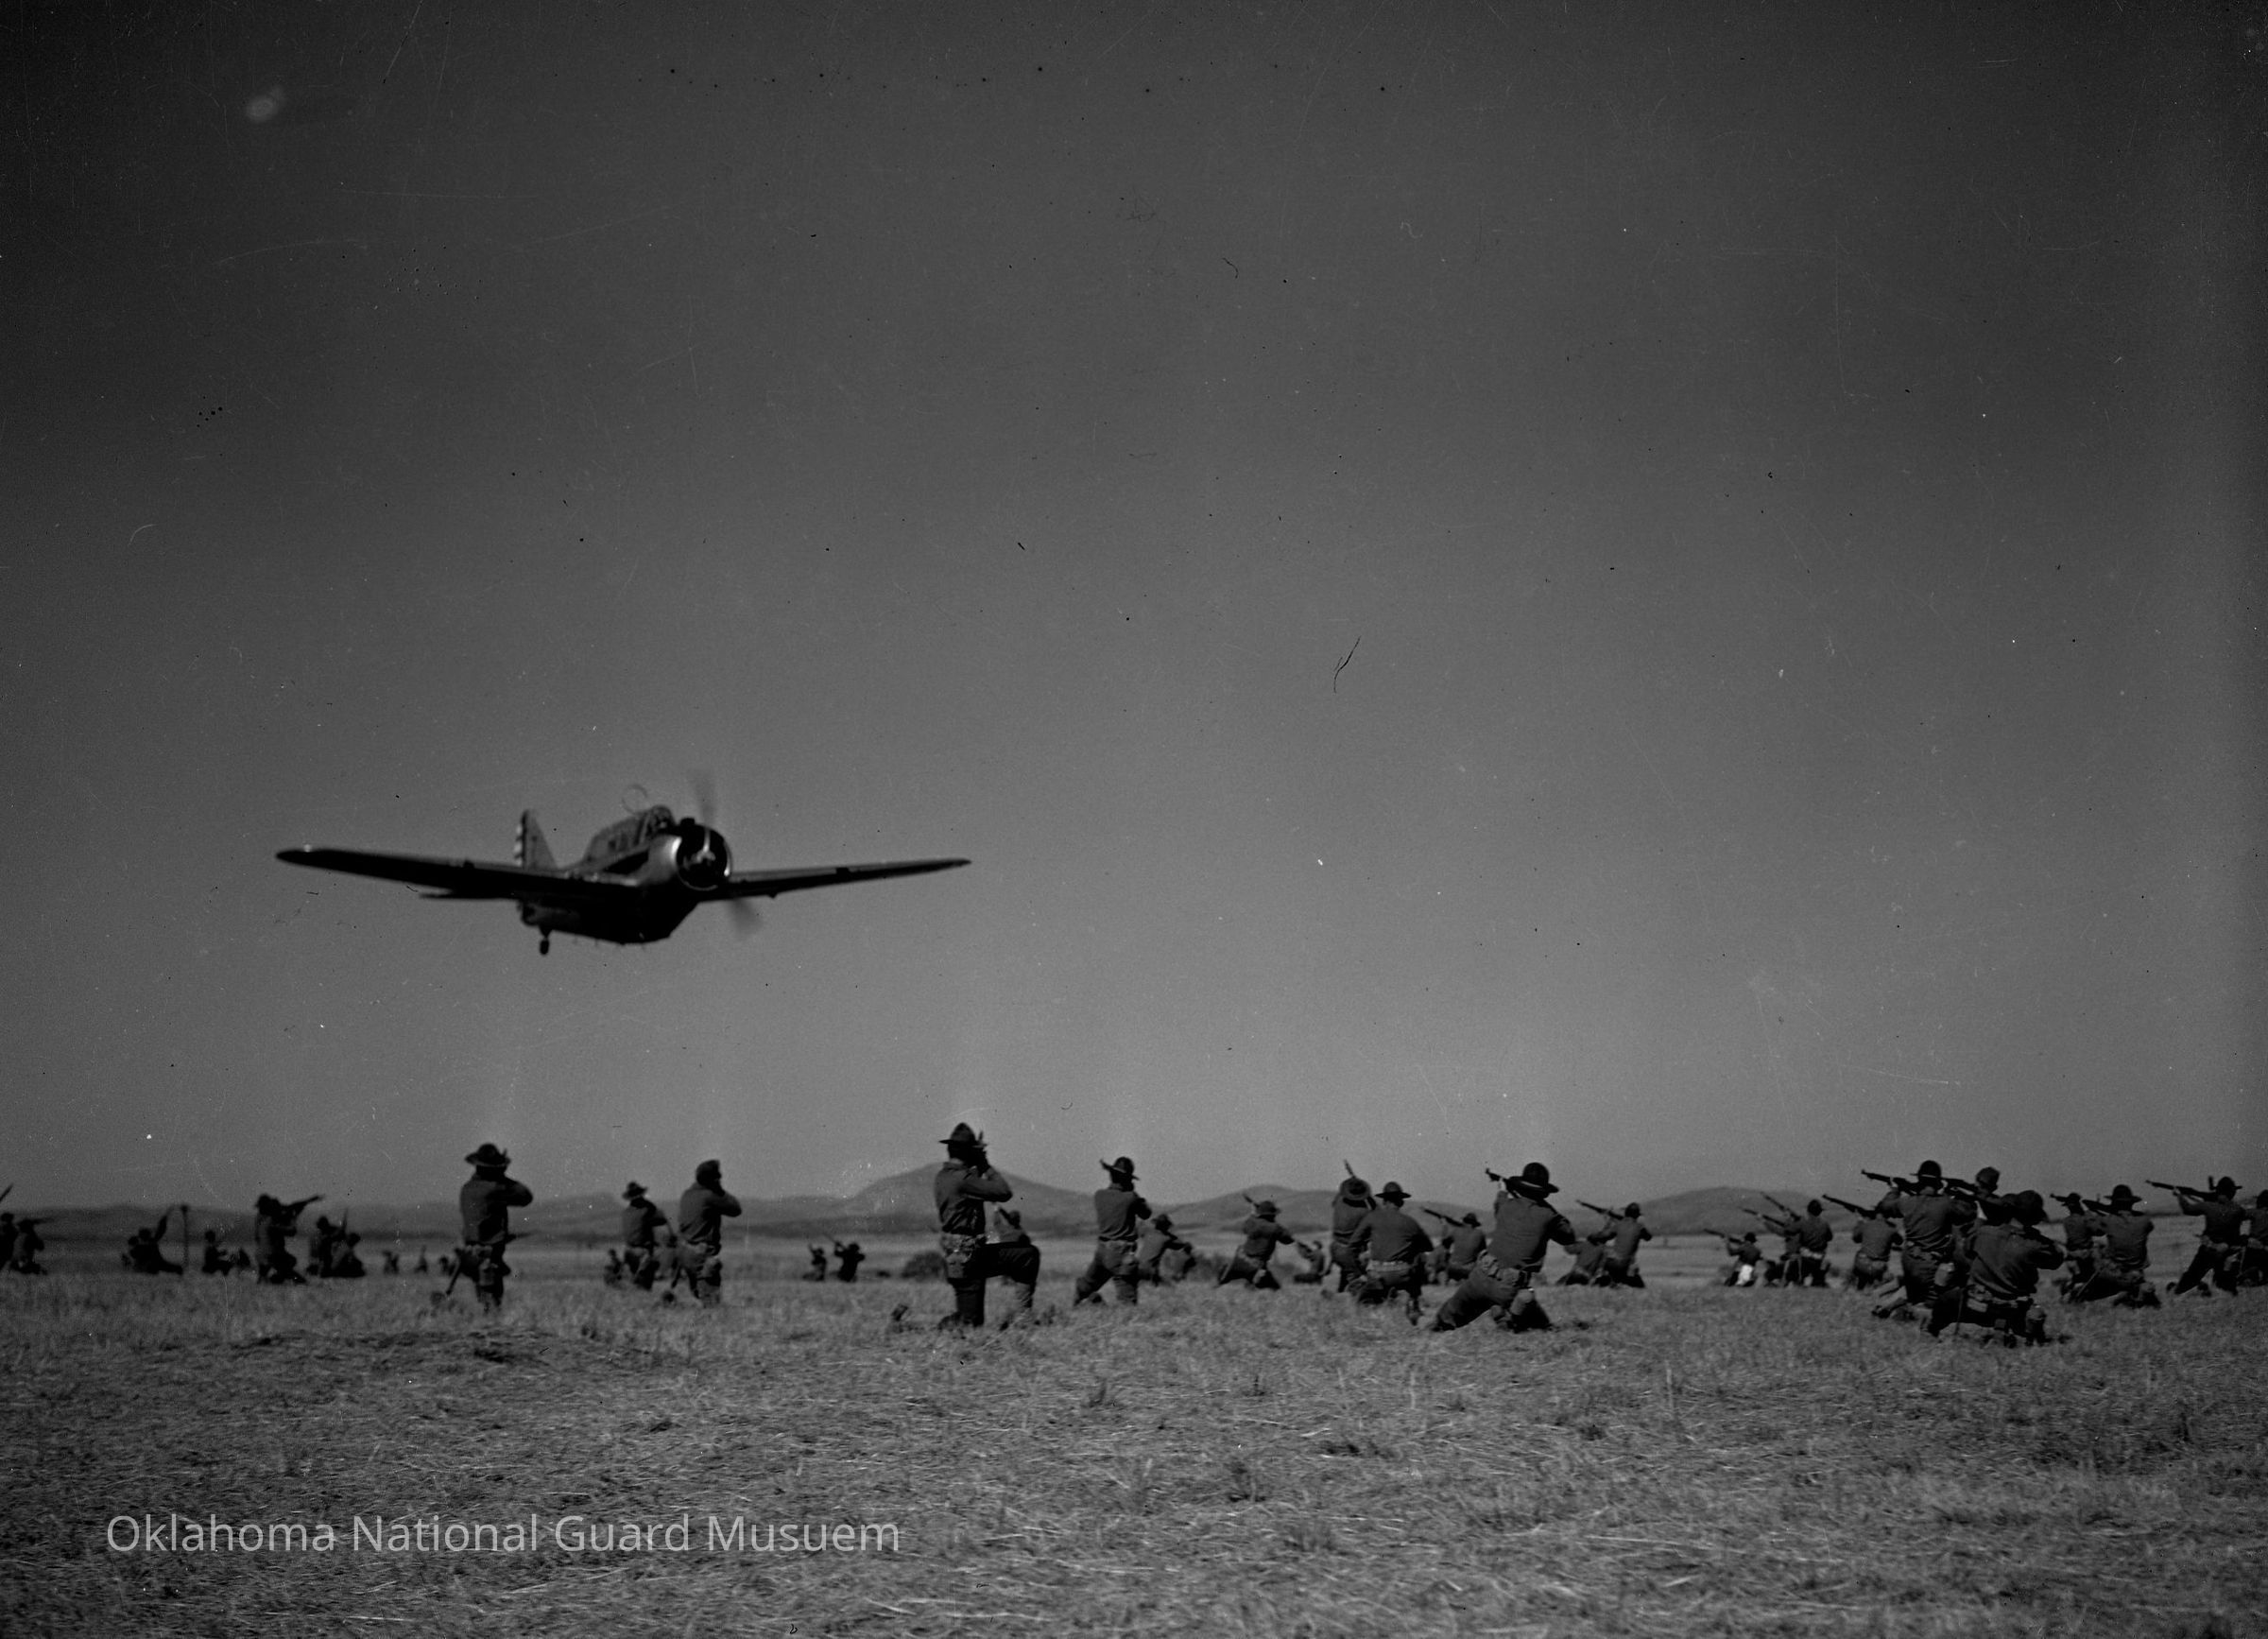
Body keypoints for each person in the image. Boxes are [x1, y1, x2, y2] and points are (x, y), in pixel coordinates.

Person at [1431, 1164, 1574, 1333]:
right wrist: (1547, 1208)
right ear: (1544, 1192)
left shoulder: (1505, 1205)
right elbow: (1568, 1237)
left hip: (1478, 1279)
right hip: (1508, 1288)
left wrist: (1503, 1189)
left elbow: (1501, 1201)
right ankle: (1506, 1318)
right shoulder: (1549, 1215)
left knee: (1444, 1320)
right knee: (1541, 1325)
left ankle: (1440, 1324)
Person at [1927, 1191, 2063, 1345]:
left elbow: (1967, 1250)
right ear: (2035, 1218)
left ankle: (1931, 1330)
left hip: (1976, 1304)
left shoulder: (1984, 1233)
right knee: (2035, 1316)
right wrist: (2038, 1237)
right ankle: (2010, 1333)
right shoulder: (2037, 1245)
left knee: (1947, 1298)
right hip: (2012, 1310)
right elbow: (2056, 1261)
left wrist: (1982, 1220)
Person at [934, 1123, 1023, 1328]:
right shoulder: (963, 1180)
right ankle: (912, 1326)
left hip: (957, 1250)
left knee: (970, 1316)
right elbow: (1003, 1192)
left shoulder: (943, 1176)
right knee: (970, 1321)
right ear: (967, 1152)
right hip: (967, 1252)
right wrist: (984, 1164)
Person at [1872, 1162, 1972, 1320]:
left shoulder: (1907, 1202)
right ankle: (1913, 1314)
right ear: (1938, 1182)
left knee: (1914, 1287)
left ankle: (1886, 1306)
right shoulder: (1946, 1204)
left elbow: (1884, 1207)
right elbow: (1969, 1212)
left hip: (1908, 1260)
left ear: (1919, 1180)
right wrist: (1956, 1192)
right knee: (1940, 1298)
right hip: (1930, 1264)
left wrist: (1894, 1190)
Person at [458, 1143, 533, 1311]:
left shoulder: (467, 1188)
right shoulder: (494, 1188)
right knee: (492, 1296)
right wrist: (503, 1178)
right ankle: (491, 1319)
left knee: (483, 1292)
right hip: (489, 1250)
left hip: (472, 1249)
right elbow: (525, 1196)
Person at [1074, 1156, 1151, 1306]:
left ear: (1111, 1175)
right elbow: (1146, 1213)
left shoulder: (1099, 1195)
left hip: (1102, 1250)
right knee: (1128, 1305)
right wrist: (1134, 1193)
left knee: (1088, 1285)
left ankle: (1080, 1303)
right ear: (1128, 1179)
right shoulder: (1131, 1198)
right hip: (1121, 1253)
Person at [1350, 1182, 1433, 1321]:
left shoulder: (1372, 1217)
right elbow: (1428, 1247)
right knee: (1419, 1259)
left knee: (1365, 1298)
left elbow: (1353, 1244)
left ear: (1384, 1201)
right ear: (1401, 1202)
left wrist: (1360, 1272)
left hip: (1376, 1274)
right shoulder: (1410, 1222)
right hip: (1402, 1275)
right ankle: (1414, 1302)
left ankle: (1379, 1299)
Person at [2073, 1185, 2157, 1306]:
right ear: (2132, 1203)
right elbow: (2145, 1227)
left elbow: (2095, 1231)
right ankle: (2134, 1293)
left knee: (2096, 1249)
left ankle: (2085, 1289)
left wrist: (2092, 1214)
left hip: (2111, 1274)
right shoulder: (2144, 1220)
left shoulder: (2107, 1220)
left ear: (2114, 1203)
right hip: (2135, 1275)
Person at [675, 1159, 740, 1308]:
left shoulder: (687, 1194)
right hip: (701, 1254)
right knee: (712, 1304)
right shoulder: (709, 1196)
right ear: (713, 1180)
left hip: (684, 1252)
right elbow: (736, 1209)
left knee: (699, 1294)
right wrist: (720, 1190)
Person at [2170, 1178, 2247, 1298]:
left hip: (2209, 1250)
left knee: (2190, 1279)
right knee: (2225, 1285)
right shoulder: (2239, 1210)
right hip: (2227, 1251)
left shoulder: (2208, 1206)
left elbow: (2187, 1209)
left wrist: (2179, 1196)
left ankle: (2178, 1293)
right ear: (2232, 1192)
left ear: (2218, 1192)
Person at [1217, 1199, 1296, 1288]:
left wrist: (1253, 1213)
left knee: (1222, 1280)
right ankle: (1252, 1283)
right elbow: (1288, 1240)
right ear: (1272, 1215)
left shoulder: (1252, 1223)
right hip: (1257, 1266)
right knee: (1275, 1290)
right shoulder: (1275, 1228)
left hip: (1239, 1260)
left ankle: (1224, 1280)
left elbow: (1245, 1228)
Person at [987, 1206, 1042, 1322]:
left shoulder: (1003, 1230)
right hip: (1020, 1265)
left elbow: (997, 1222)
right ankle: (1024, 1314)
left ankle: (1005, 1283)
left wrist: (997, 1211)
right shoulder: (1021, 1233)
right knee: (1025, 1287)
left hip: (1004, 1263)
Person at [619, 1182, 673, 1290]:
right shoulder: (647, 1209)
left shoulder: (625, 1212)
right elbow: (662, 1221)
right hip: (643, 1251)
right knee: (666, 1252)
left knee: (635, 1283)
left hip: (628, 1250)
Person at [1328, 1173, 1375, 1294]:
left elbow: (1340, 1195)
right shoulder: (1363, 1211)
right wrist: (1370, 1198)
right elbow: (1378, 1213)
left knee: (1347, 1272)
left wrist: (1351, 1182)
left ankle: (1341, 1291)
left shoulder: (1339, 1202)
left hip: (1335, 1249)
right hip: (1351, 1255)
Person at [2050, 1194, 2101, 1301]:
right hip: (2086, 1254)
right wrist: (2094, 1216)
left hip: (2072, 1255)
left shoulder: (2066, 1221)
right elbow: (2098, 1232)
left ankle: (2071, 1289)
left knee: (2079, 1277)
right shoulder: (2085, 1219)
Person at [1598, 1203, 1654, 1288]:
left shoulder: (1619, 1225)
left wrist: (1608, 1223)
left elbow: (1603, 1236)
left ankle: (1606, 1279)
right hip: (1625, 1265)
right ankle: (1616, 1281)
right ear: (1637, 1215)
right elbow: (1648, 1237)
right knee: (1638, 1284)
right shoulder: (1639, 1227)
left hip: (1612, 1263)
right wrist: (1640, 1224)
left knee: (1603, 1253)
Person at [1847, 1203, 1900, 1291]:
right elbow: (1899, 1242)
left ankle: (1856, 1287)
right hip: (1879, 1267)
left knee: (1860, 1256)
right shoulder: (1891, 1229)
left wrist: (1860, 1221)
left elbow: (1855, 1239)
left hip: (1862, 1265)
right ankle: (1875, 1286)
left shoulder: (1866, 1225)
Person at [1137, 1213, 1191, 1284]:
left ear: (1156, 1224)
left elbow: (1138, 1230)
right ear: (1166, 1227)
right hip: (1150, 1270)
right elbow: (1179, 1245)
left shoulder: (1148, 1231)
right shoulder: (1167, 1238)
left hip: (1138, 1267)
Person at [1790, 1201, 1833, 1288]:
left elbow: (1789, 1230)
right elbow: (1830, 1238)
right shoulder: (1825, 1223)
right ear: (1820, 1212)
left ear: (1808, 1212)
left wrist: (1795, 1221)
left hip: (1805, 1257)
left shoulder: (1803, 1223)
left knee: (1793, 1263)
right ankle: (1818, 1282)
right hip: (1820, 1257)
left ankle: (1799, 1282)